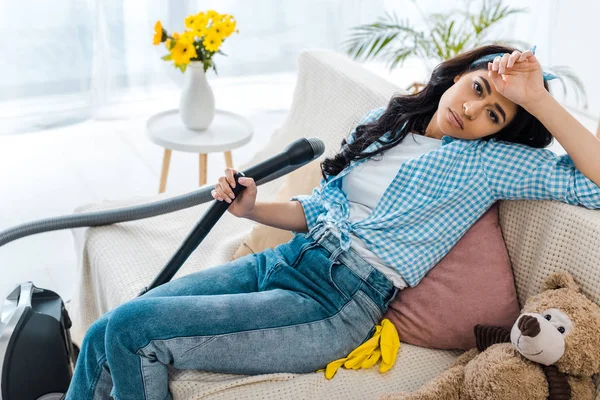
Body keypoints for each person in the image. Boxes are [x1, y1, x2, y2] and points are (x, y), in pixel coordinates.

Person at [65, 44, 600, 400]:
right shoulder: (388, 123)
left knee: (136, 334)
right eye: (479, 89)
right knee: (108, 329)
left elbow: (593, 183)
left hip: (337, 302)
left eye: (494, 116)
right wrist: (252, 209)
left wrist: (535, 97)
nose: (474, 110)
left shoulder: (488, 164)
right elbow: (321, 209)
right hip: (284, 262)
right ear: (460, 75)